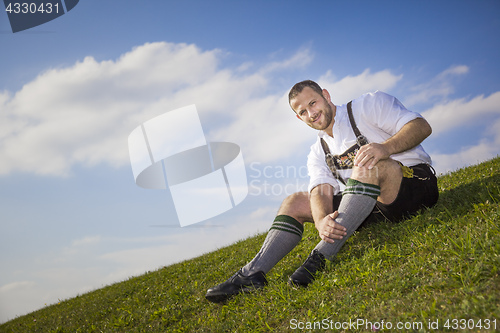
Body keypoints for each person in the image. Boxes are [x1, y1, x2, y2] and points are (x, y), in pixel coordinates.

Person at [205, 80, 439, 303]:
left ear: (326, 95)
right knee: (295, 201)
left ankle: (319, 258)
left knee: (368, 162)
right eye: (303, 112)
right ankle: (251, 275)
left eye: (313, 103)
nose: (311, 113)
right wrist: (321, 220)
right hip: (371, 207)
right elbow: (320, 190)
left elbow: (421, 126)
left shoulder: (369, 105)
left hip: (412, 188)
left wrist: (385, 147)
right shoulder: (318, 150)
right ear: (299, 118)